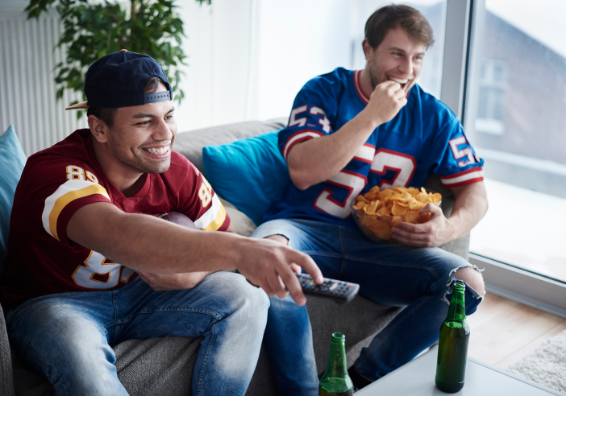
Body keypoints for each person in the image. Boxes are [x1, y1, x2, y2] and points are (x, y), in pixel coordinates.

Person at [0, 50, 322, 396]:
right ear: (99, 128)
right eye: (144, 122)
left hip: (141, 295)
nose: (164, 133)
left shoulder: (177, 170)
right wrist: (245, 251)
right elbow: (116, 231)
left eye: (168, 116)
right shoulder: (53, 172)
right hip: (54, 303)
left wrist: (193, 270)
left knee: (246, 297)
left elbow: (219, 239)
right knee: (77, 346)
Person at [251, 4, 488, 395]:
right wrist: (371, 117)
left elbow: (476, 192)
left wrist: (447, 227)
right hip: (305, 228)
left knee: (467, 283)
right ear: (368, 49)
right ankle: (304, 394)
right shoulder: (324, 91)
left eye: (417, 58)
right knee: (266, 255)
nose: (406, 70)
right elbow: (303, 170)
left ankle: (365, 380)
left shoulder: (434, 116)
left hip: (379, 247)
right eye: (396, 54)